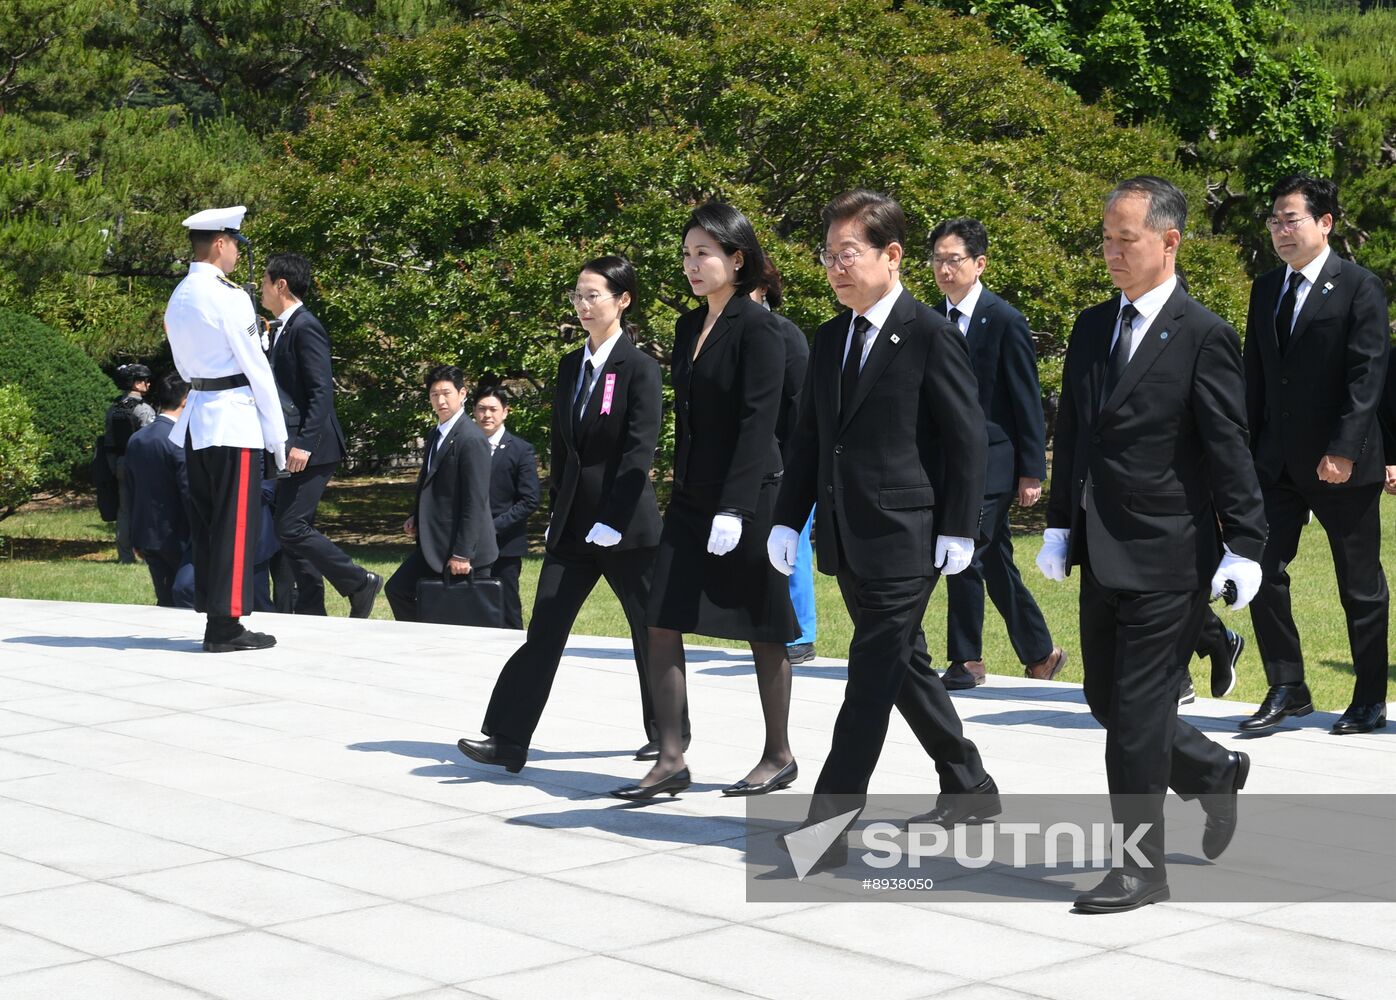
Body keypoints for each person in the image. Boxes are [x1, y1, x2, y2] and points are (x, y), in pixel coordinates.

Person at [1037, 176, 1266, 913]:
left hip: (1171, 552)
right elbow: (1075, 432)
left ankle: (1140, 870)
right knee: (1109, 700)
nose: (1111, 251)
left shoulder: (1203, 335)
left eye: (1125, 238)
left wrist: (1248, 545)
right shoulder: (1091, 326)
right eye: (1105, 237)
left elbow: (1229, 447)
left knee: (1134, 717)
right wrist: (1059, 525)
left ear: (1169, 242)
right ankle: (1212, 771)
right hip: (1103, 548)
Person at [767, 189, 995, 858]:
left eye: (849, 254)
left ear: (892, 256)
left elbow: (967, 439)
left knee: (867, 680)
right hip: (846, 534)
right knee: (904, 667)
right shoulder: (831, 336)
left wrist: (959, 526)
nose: (836, 268)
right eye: (828, 255)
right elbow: (811, 439)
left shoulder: (930, 333)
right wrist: (789, 520)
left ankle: (826, 827)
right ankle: (969, 782)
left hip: (908, 537)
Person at [458, 257, 674, 773]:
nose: (582, 305)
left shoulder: (640, 368)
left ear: (622, 300)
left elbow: (639, 450)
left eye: (593, 295)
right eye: (577, 295)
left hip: (627, 529)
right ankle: (508, 739)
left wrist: (614, 516)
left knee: (652, 631)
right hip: (574, 525)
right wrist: (558, 512)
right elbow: (563, 447)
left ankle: (669, 735)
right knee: (545, 628)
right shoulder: (569, 366)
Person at [612, 202, 798, 800]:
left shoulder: (762, 329)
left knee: (763, 626)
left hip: (749, 497)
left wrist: (737, 508)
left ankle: (778, 753)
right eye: (687, 254)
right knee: (662, 618)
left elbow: (758, 422)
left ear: (736, 259)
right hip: (692, 497)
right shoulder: (689, 326)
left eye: (704, 254)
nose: (691, 265)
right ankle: (670, 757)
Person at [1240, 174, 1390, 736]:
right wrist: (1246, 451)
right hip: (1273, 464)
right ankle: (1288, 686)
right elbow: (1256, 376)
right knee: (1260, 572)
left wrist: (1344, 450)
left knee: (1359, 585)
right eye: (1275, 220)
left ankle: (1370, 696)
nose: (1280, 230)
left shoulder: (1359, 286)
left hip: (1341, 465)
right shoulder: (1264, 289)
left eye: (1291, 219)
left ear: (1325, 223)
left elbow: (1367, 374)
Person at [928, 217, 1065, 690]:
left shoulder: (1004, 319)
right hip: (949, 463)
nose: (945, 270)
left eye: (954, 260)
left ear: (979, 263)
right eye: (938, 260)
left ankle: (966, 660)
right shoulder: (930, 319)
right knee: (991, 556)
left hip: (996, 462)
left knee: (965, 547)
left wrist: (1032, 470)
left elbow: (1026, 397)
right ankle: (1040, 652)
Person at [164, 205, 288, 652]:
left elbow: (182, 365)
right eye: (235, 243)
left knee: (208, 527)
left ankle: (217, 617)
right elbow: (257, 367)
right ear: (220, 243)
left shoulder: (179, 295)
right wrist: (277, 436)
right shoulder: (230, 296)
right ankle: (226, 627)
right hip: (233, 420)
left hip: (197, 419)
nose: (237, 253)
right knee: (236, 528)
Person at [261, 253, 383, 619]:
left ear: (281, 285)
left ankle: (359, 582)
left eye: (265, 282)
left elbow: (320, 392)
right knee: (292, 529)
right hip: (294, 445)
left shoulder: (305, 326)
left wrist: (303, 445)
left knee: (290, 526)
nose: (261, 289)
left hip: (312, 446)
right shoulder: (283, 326)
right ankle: (311, 607)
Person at [385, 365, 497, 622]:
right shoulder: (436, 433)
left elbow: (475, 501)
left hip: (465, 550)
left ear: (463, 394)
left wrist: (462, 553)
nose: (441, 400)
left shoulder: (471, 438)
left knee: (466, 620)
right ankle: (422, 642)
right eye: (435, 394)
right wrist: (415, 516)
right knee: (398, 590)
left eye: (447, 393)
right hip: (434, 543)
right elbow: (428, 482)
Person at [751, 260, 818, 665]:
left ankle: (802, 634)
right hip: (748, 464)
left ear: (764, 289)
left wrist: (797, 463)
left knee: (793, 548)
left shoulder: (786, 334)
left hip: (787, 460)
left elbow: (801, 408)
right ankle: (771, 627)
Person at [472, 385, 541, 629]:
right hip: (466, 543)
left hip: (505, 543)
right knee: (471, 604)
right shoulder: (465, 445)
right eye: (481, 409)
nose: (487, 415)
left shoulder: (520, 450)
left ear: (505, 412)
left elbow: (530, 499)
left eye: (493, 409)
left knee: (506, 604)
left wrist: (491, 528)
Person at [124, 373, 193, 608]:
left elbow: (131, 491)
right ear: (185, 400)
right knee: (185, 596)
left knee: (164, 597)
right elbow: (187, 489)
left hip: (147, 532)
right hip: (180, 533)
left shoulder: (136, 438)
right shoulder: (180, 438)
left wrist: (134, 534)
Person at [106, 363, 157, 564]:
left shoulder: (114, 408)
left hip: (119, 463)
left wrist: (114, 465)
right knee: (146, 509)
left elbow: (108, 441)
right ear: (136, 383)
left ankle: (125, 557)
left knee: (124, 511)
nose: (148, 383)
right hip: (140, 464)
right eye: (145, 380)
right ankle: (148, 555)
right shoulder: (143, 410)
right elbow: (150, 440)